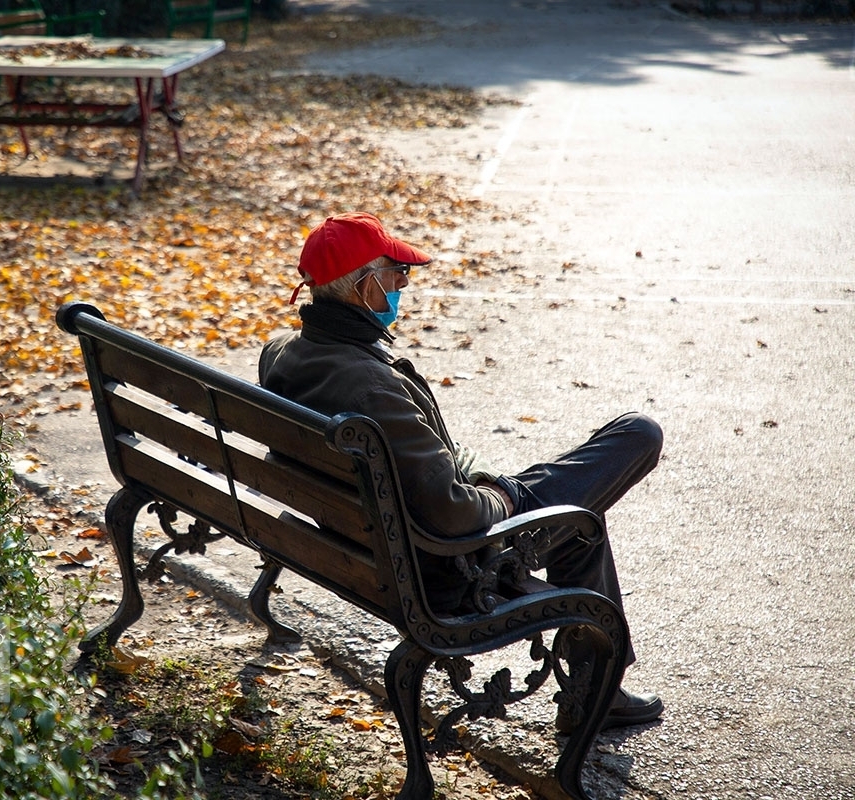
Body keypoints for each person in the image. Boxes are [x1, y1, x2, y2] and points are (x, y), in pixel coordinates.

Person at [259, 211, 664, 732]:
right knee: (636, 437)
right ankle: (595, 693)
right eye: (394, 273)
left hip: (366, 546)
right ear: (362, 288)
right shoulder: (370, 388)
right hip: (448, 568)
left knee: (577, 511)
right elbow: (456, 515)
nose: (404, 283)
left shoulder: (282, 354)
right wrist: (501, 496)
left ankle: (595, 691)